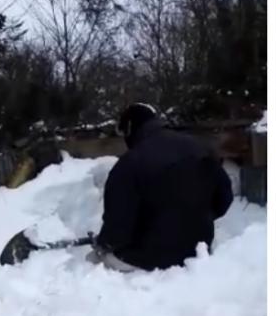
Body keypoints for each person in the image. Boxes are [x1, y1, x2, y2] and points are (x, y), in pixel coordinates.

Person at [87, 103, 234, 272]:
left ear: (129, 128)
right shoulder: (201, 148)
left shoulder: (130, 163)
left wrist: (103, 243)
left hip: (147, 258)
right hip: (198, 250)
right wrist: (196, 219)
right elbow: (224, 198)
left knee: (92, 263)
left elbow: (118, 227)